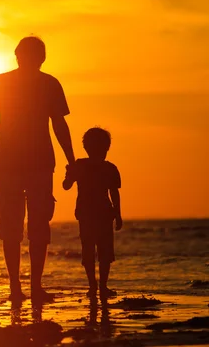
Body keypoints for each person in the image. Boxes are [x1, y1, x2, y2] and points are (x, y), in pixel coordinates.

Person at [0, 36, 76, 303]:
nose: (25, 59)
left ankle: (26, 288)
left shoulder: (46, 84)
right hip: (16, 164)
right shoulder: (8, 82)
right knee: (20, 227)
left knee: (25, 226)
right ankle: (22, 288)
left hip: (30, 164)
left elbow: (58, 124)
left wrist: (71, 159)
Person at [63, 127, 122, 299]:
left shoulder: (84, 166)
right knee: (99, 251)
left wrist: (117, 214)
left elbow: (114, 192)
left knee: (95, 250)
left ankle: (96, 286)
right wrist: (118, 214)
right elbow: (114, 193)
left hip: (94, 213)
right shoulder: (104, 168)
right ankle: (98, 286)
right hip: (95, 213)